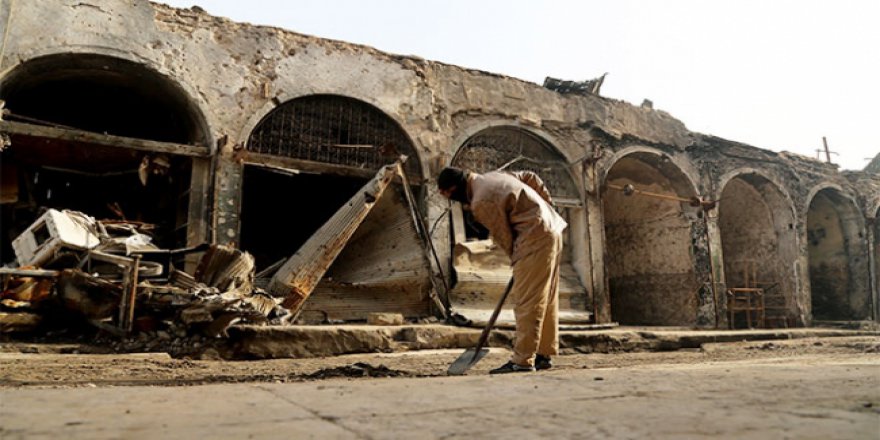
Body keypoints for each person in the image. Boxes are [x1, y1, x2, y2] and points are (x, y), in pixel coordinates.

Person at [437, 166, 567, 374]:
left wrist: (518, 259)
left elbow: (504, 236)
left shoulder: (481, 201)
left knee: (527, 301)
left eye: (448, 196)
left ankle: (522, 361)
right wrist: (546, 207)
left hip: (533, 236)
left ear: (453, 189)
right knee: (546, 297)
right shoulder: (495, 176)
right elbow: (530, 176)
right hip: (552, 229)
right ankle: (543, 354)